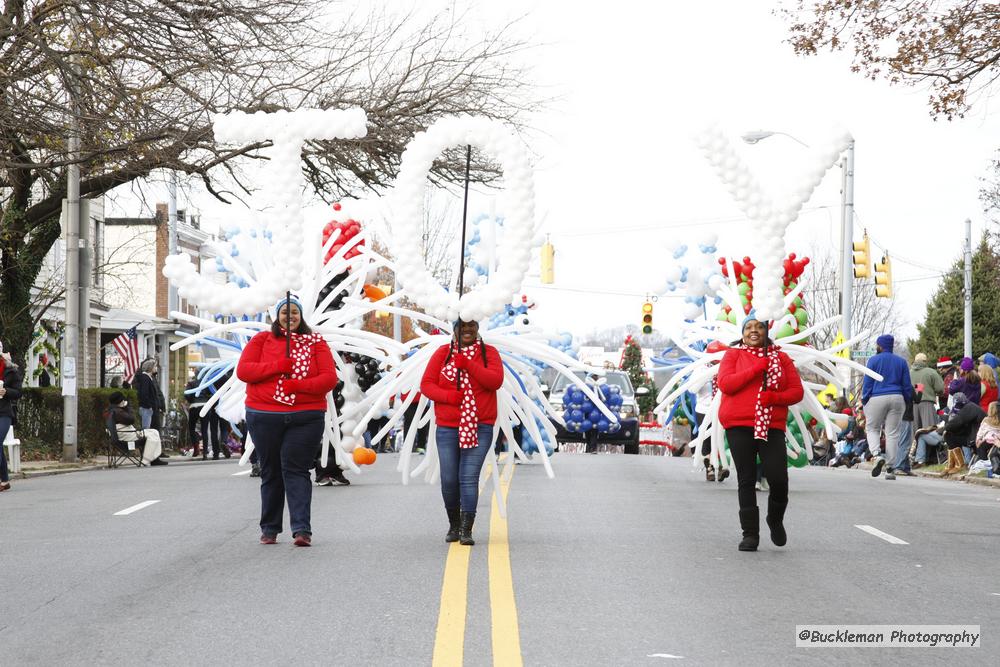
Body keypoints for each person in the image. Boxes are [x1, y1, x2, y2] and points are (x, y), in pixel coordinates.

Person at [237, 295, 337, 547]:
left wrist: (298, 386)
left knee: (296, 470)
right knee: (271, 471)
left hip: (305, 416)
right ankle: (269, 528)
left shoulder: (316, 343)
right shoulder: (261, 340)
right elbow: (245, 371)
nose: (290, 316)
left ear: (301, 316)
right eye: (285, 312)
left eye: (294, 312)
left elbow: (328, 380)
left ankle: (302, 529)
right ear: (276, 316)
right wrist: (277, 366)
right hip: (264, 415)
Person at [716, 312, 803, 552]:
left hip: (771, 426)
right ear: (742, 333)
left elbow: (796, 392)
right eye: (748, 327)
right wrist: (757, 368)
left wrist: (773, 397)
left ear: (767, 331)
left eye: (759, 327)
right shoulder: (733, 354)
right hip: (739, 424)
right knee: (746, 479)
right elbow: (726, 384)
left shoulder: (781, 358)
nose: (753, 331)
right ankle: (750, 534)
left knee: (778, 479)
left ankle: (775, 520)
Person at [420, 319, 504, 546]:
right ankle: (454, 525)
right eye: (462, 327)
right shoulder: (442, 353)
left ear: (477, 329)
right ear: (455, 330)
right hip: (448, 427)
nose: (467, 330)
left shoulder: (489, 353)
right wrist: (449, 397)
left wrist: (468, 364)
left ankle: (467, 529)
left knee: (468, 478)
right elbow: (426, 385)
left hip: (480, 426)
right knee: (449, 479)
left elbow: (495, 381)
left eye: (471, 326)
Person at [861, 334, 912, 481]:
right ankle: (890, 468)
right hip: (897, 397)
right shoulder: (901, 362)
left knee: (872, 428)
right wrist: (907, 399)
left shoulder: (873, 360)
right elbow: (906, 384)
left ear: (880, 346)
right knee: (893, 433)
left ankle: (877, 455)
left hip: (877, 397)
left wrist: (865, 399)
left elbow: (868, 382)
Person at [109, 391, 166, 465]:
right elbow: (131, 419)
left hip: (124, 434)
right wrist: (127, 407)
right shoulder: (117, 412)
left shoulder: (112, 411)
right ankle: (147, 460)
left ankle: (154, 458)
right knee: (153, 434)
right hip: (128, 437)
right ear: (120, 401)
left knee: (154, 432)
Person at [941, 392, 984, 476]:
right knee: (950, 434)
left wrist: (942, 429)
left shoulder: (969, 408)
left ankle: (959, 465)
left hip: (977, 438)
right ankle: (951, 465)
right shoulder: (969, 406)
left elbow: (957, 422)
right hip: (975, 435)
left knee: (949, 436)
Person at [0, 345, 24, 492]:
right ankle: (4, 480)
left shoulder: (9, 370)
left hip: (4, 412)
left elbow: (18, 392)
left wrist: (6, 391)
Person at [910, 352, 943, 433]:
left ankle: (916, 446)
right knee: (929, 431)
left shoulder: (908, 373)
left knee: (914, 433)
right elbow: (940, 388)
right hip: (927, 404)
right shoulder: (931, 372)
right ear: (925, 361)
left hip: (912, 405)